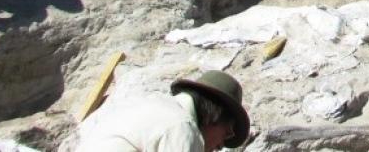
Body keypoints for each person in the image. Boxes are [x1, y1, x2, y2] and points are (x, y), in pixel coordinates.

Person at [74, 70, 251, 152]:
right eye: (227, 133)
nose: (220, 147)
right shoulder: (182, 128)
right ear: (215, 115)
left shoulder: (147, 105)